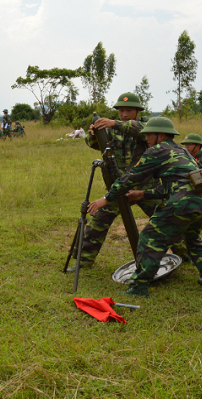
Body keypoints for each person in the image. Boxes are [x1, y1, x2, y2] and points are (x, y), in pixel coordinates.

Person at [87, 117, 202, 297]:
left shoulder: (157, 150)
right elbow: (174, 184)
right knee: (192, 239)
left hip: (182, 204)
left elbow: (131, 177)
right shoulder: (182, 151)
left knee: (150, 238)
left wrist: (106, 198)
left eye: (150, 134)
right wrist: (143, 194)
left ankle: (138, 287)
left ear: (161, 135)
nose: (147, 137)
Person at [68, 92, 161, 272]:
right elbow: (92, 143)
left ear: (138, 111)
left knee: (166, 219)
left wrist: (114, 123)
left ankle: (185, 255)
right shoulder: (111, 129)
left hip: (146, 188)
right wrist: (95, 133)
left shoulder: (148, 125)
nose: (124, 114)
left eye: (129, 110)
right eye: (121, 111)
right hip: (119, 188)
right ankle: (83, 261)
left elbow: (140, 130)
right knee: (98, 221)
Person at [170, 133, 202, 261]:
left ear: (198, 146)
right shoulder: (187, 158)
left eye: (190, 144)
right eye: (185, 144)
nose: (186, 146)